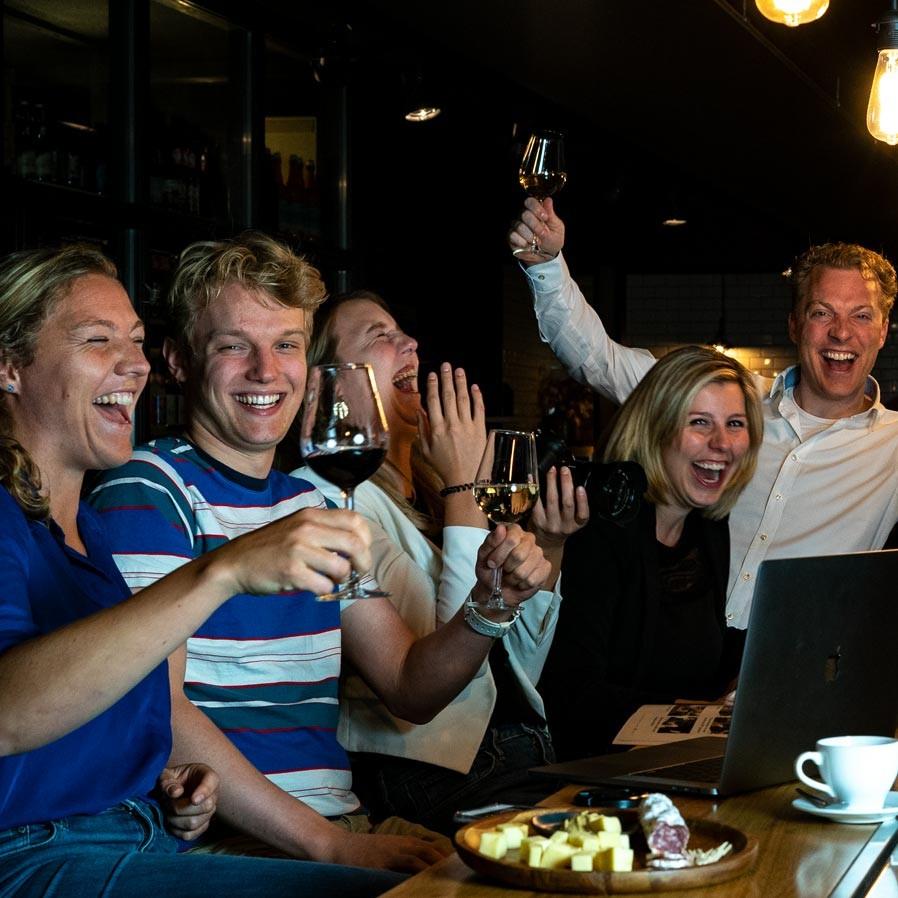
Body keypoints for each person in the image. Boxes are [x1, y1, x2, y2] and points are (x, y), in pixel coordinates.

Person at [88, 233, 551, 869]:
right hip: (238, 844)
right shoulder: (148, 488)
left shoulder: (313, 505)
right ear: (178, 361)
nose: (265, 370)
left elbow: (411, 688)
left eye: (286, 345)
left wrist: (492, 604)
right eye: (233, 346)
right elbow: (157, 711)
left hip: (340, 824)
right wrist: (333, 844)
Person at [0, 245, 405, 897]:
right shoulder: (71, 506)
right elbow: (8, 713)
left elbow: (90, 707)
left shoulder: (83, 534)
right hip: (33, 853)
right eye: (99, 339)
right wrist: (224, 571)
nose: (135, 364)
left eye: (135, 341)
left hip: (135, 836)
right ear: (9, 366)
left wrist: (166, 786)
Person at [509, 198, 898, 629]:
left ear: (883, 331)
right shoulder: (728, 402)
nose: (841, 332)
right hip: (683, 644)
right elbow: (601, 360)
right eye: (821, 313)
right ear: (794, 324)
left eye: (862, 316)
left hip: (791, 657)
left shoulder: (894, 445)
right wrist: (546, 267)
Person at [293, 290, 588, 833]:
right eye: (380, 337)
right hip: (426, 772)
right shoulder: (327, 495)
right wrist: (462, 487)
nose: (409, 342)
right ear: (330, 386)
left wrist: (548, 545)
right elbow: (449, 685)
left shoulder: (429, 487)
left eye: (402, 331)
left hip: (522, 749)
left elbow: (507, 664)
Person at [538, 346, 764, 758]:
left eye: (735, 424)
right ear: (655, 427)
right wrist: (702, 718)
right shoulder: (599, 529)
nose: (722, 443)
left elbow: (697, 651)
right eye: (699, 422)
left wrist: (767, 655)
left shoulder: (707, 524)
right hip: (594, 769)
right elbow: (572, 697)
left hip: (670, 761)